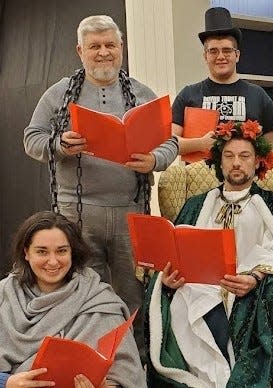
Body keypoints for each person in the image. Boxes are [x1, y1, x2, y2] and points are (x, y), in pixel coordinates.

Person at [23, 15, 178, 355]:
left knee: (132, 296)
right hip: (77, 216)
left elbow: (170, 143)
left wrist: (154, 161)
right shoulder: (59, 93)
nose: (103, 53)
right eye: (95, 46)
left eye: (110, 45)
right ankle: (88, 365)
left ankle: (133, 366)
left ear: (121, 48)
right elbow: (31, 139)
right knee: (84, 297)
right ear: (80, 51)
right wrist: (61, 144)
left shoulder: (141, 93)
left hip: (130, 213)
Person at [145, 120, 273, 387]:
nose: (236, 163)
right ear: (219, 163)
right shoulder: (197, 205)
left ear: (258, 162)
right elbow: (175, 252)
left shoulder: (271, 205)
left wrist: (255, 277)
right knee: (178, 303)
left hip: (249, 288)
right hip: (198, 287)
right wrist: (169, 277)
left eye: (244, 156)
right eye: (229, 156)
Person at [0, 211, 146, 388]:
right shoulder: (4, 295)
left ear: (72, 252)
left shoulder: (100, 302)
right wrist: (6, 382)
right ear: (26, 253)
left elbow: (126, 375)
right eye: (42, 252)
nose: (53, 262)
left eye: (61, 251)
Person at [172, 6, 273, 157]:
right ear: (205, 56)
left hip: (246, 179)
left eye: (227, 50)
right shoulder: (188, 94)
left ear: (237, 55)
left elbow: (272, 149)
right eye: (213, 51)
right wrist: (200, 144)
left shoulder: (258, 95)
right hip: (199, 178)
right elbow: (169, 143)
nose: (220, 56)